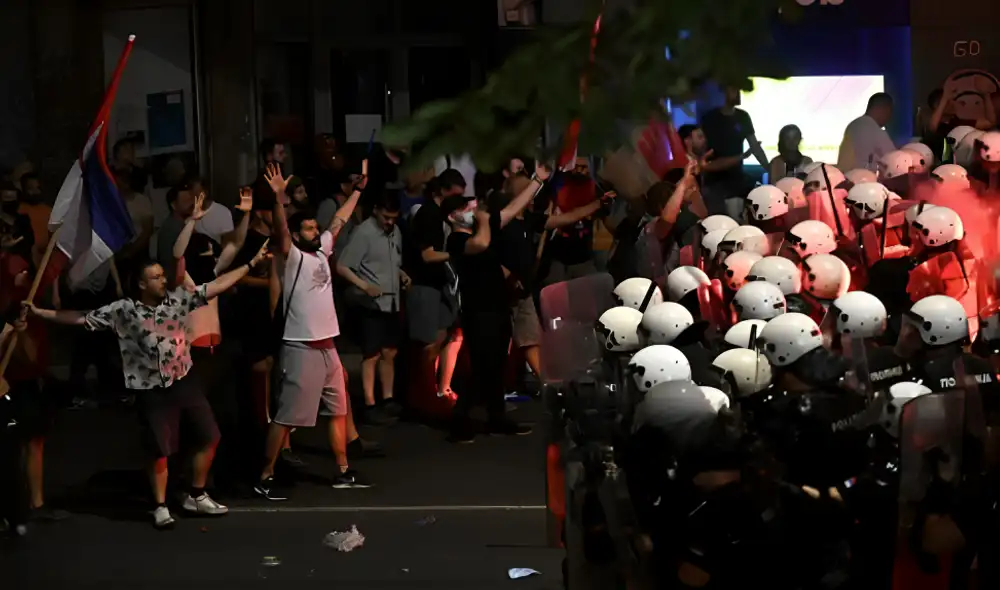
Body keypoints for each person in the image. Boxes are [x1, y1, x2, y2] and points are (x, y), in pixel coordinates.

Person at [24, 245, 270, 529]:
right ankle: (160, 505)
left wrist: (251, 263)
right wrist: (39, 312)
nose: (163, 280)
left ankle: (197, 494)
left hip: (183, 380)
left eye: (162, 276)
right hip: (150, 388)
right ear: (142, 283)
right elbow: (80, 317)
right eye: (155, 277)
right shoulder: (125, 311)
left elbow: (216, 286)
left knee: (210, 436)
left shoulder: (178, 301)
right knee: (159, 450)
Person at [254, 162, 370, 501]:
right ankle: (266, 475)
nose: (313, 231)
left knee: (339, 410)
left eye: (313, 227)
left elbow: (340, 220)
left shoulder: (321, 250)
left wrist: (359, 190)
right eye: (306, 228)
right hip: (300, 346)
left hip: (327, 346)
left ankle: (343, 471)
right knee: (288, 417)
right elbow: (280, 230)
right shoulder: (291, 256)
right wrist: (278, 199)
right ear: (295, 233)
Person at [443, 164, 551, 443]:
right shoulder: (456, 239)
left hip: (498, 306)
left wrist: (537, 181)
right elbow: (480, 244)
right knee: (480, 367)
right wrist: (482, 220)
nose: (474, 210)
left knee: (496, 367)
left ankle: (497, 417)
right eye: (467, 208)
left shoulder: (484, 226)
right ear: (454, 216)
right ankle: (460, 420)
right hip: (478, 312)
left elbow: (513, 209)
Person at [336, 191, 408, 424]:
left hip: (392, 301)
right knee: (371, 354)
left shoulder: (395, 232)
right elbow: (343, 266)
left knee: (390, 351)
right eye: (386, 217)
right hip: (371, 304)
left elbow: (391, 262)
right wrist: (364, 286)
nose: (390, 222)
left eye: (393, 217)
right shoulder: (364, 233)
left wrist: (401, 274)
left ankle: (387, 398)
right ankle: (369, 403)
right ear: (376, 210)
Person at [700, 86, 769, 219]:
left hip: (737, 177)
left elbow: (754, 145)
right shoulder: (710, 118)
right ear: (723, 92)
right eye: (733, 90)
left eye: (738, 91)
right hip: (715, 180)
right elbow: (702, 149)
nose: (738, 94)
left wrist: (769, 167)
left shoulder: (743, 116)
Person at [837, 93, 896, 172]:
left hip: (845, 178)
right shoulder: (873, 129)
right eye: (890, 111)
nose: (889, 117)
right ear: (883, 109)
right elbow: (894, 159)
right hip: (864, 179)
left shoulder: (853, 125)